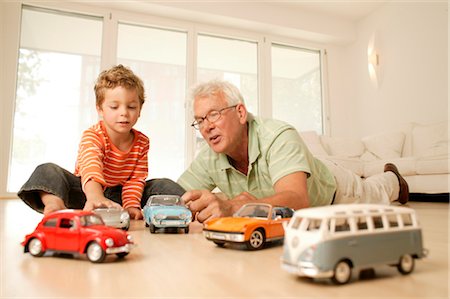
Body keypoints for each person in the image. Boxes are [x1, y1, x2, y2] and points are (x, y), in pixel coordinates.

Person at [178, 80, 409, 223]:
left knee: (376, 193)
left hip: (333, 193)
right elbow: (179, 193)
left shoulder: (278, 134)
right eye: (199, 121)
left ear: (240, 113)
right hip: (307, 185)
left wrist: (231, 206)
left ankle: (393, 179)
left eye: (214, 114)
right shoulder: (210, 156)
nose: (206, 126)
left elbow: (297, 199)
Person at [18, 65, 185, 219]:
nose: (124, 113)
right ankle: (54, 204)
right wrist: (95, 196)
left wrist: (131, 206)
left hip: (119, 195)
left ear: (140, 109)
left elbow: (135, 179)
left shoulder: (142, 142)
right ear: (100, 109)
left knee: (163, 185)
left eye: (131, 107)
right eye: (114, 107)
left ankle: (190, 207)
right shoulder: (93, 135)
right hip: (85, 192)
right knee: (47, 170)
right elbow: (91, 167)